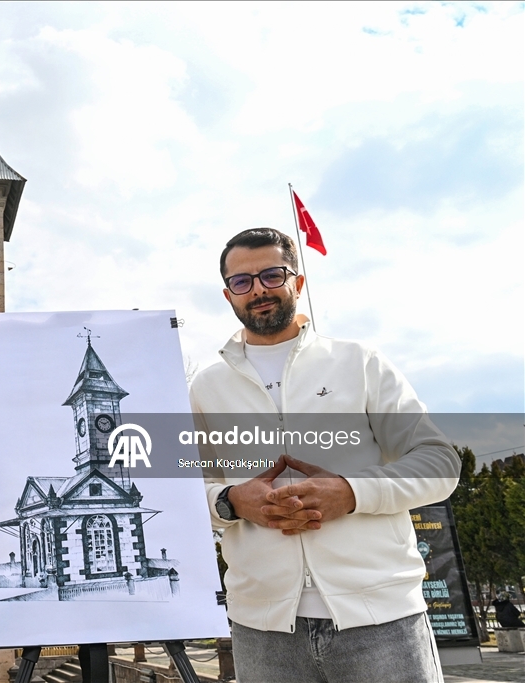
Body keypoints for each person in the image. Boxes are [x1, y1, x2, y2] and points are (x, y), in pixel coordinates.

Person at [190, 227, 460, 683]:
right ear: (228, 294)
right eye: (242, 281)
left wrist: (351, 492)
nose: (258, 290)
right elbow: (183, 492)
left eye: (272, 275)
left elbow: (439, 463)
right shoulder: (205, 386)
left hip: (382, 620)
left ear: (298, 281)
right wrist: (231, 501)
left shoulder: (360, 362)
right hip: (263, 630)